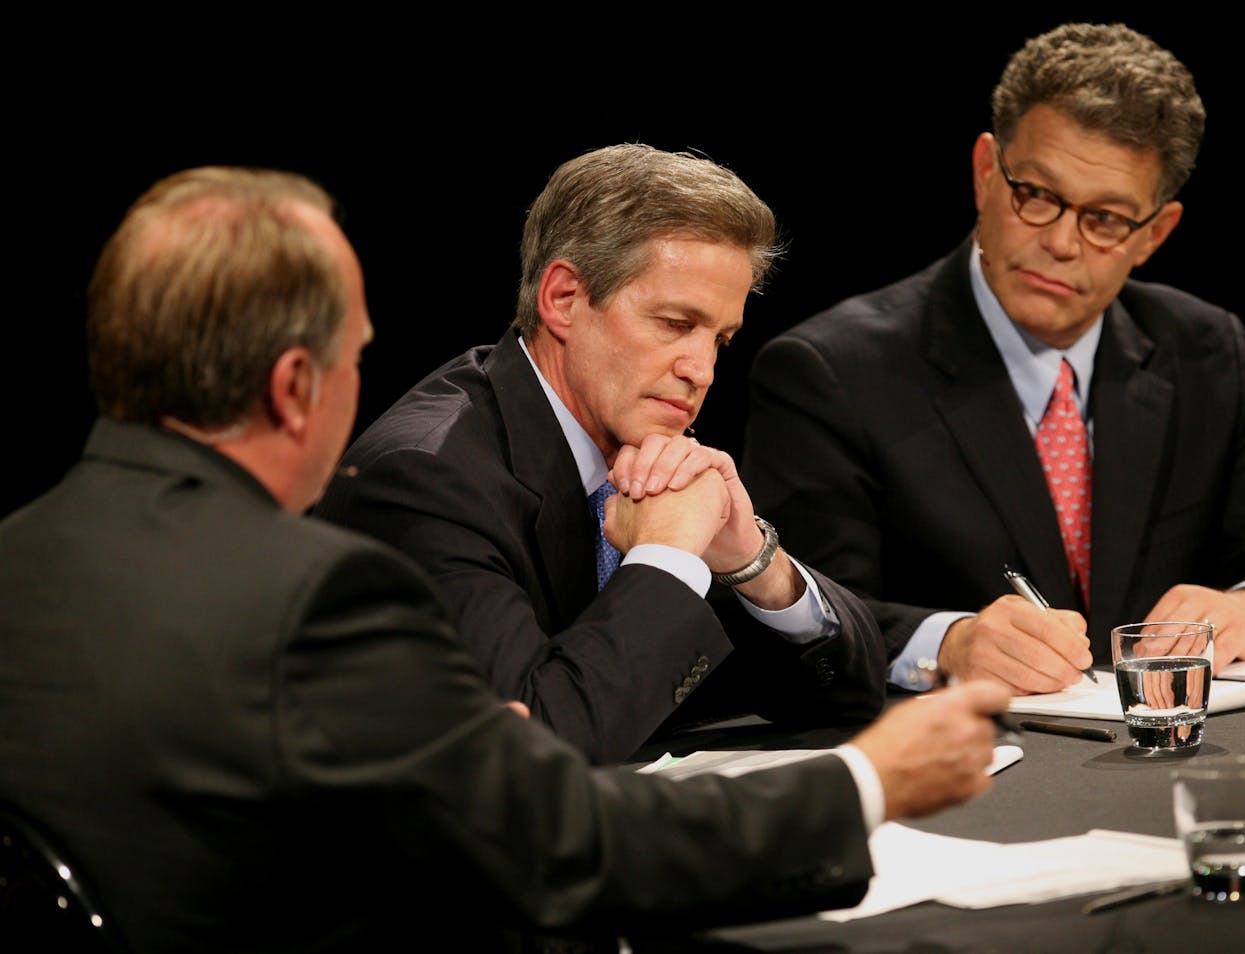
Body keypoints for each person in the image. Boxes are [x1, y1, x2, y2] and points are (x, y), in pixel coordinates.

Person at [0, 166, 1009, 952]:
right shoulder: (319, 587)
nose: (702, 364)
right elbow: (552, 834)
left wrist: (739, 557)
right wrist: (862, 785)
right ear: (294, 387)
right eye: (357, 357)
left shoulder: (20, 554)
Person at [740, 22, 1245, 696]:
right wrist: (950, 645)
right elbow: (793, 621)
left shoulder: (1199, 347)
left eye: (1105, 218)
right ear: (987, 172)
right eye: (1038, 196)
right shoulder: (832, 372)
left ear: (1154, 234)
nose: (1063, 244)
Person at [313, 144, 886, 764]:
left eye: (720, 338)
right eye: (673, 323)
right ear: (562, 300)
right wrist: (666, 557)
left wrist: (749, 557)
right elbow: (536, 750)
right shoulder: (424, 479)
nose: (702, 370)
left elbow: (851, 689)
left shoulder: (652, 459)